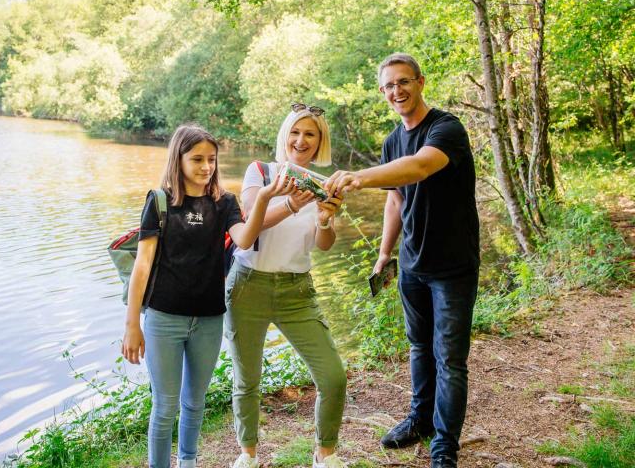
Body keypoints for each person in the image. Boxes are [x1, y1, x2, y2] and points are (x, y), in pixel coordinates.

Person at [326, 54, 479, 468]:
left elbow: (419, 167)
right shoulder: (393, 140)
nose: (397, 91)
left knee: (449, 358)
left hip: (452, 267)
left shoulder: (445, 128)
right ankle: (419, 420)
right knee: (418, 348)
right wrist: (383, 254)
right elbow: (396, 197)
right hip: (413, 264)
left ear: (420, 82)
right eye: (389, 86)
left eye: (403, 82)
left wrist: (359, 176)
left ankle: (444, 446)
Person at [122, 124, 292, 468]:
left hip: (210, 319)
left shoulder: (225, 202)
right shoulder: (159, 201)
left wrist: (262, 198)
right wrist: (132, 325)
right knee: (165, 405)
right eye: (197, 159)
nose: (206, 167)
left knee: (195, 402)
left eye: (211, 159)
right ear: (178, 159)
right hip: (163, 318)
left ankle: (188, 461)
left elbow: (244, 239)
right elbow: (142, 267)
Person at [226, 103, 348, 468]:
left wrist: (326, 219)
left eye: (310, 134)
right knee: (247, 379)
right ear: (285, 136)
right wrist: (293, 205)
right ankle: (247, 454)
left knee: (333, 376)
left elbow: (323, 244)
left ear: (319, 141)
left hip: (297, 291)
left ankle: (324, 454)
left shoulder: (321, 185)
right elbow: (249, 221)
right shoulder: (260, 172)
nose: (301, 140)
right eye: (295, 132)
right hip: (248, 286)